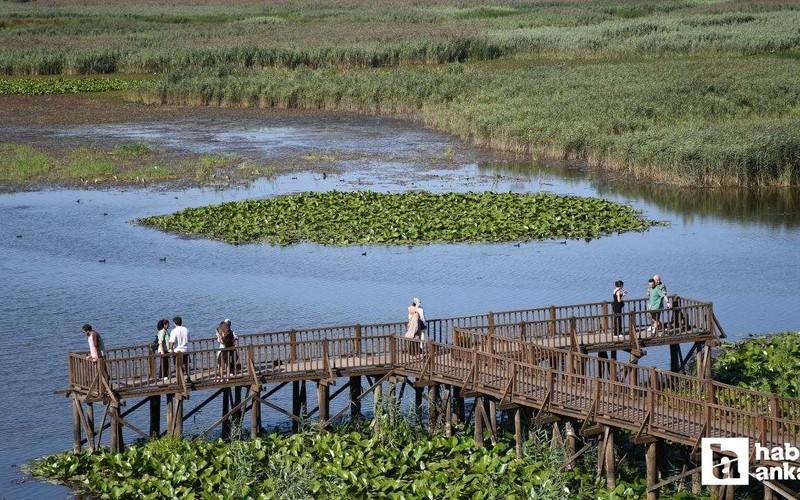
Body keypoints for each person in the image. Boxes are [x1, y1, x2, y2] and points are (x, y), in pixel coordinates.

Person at [169, 316, 190, 382]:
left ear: (174, 323)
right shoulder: (186, 329)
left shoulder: (173, 331)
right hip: (185, 350)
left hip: (177, 351)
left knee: (177, 365)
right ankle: (188, 376)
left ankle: (179, 378)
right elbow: (188, 339)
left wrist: (171, 349)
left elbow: (172, 342)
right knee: (186, 364)